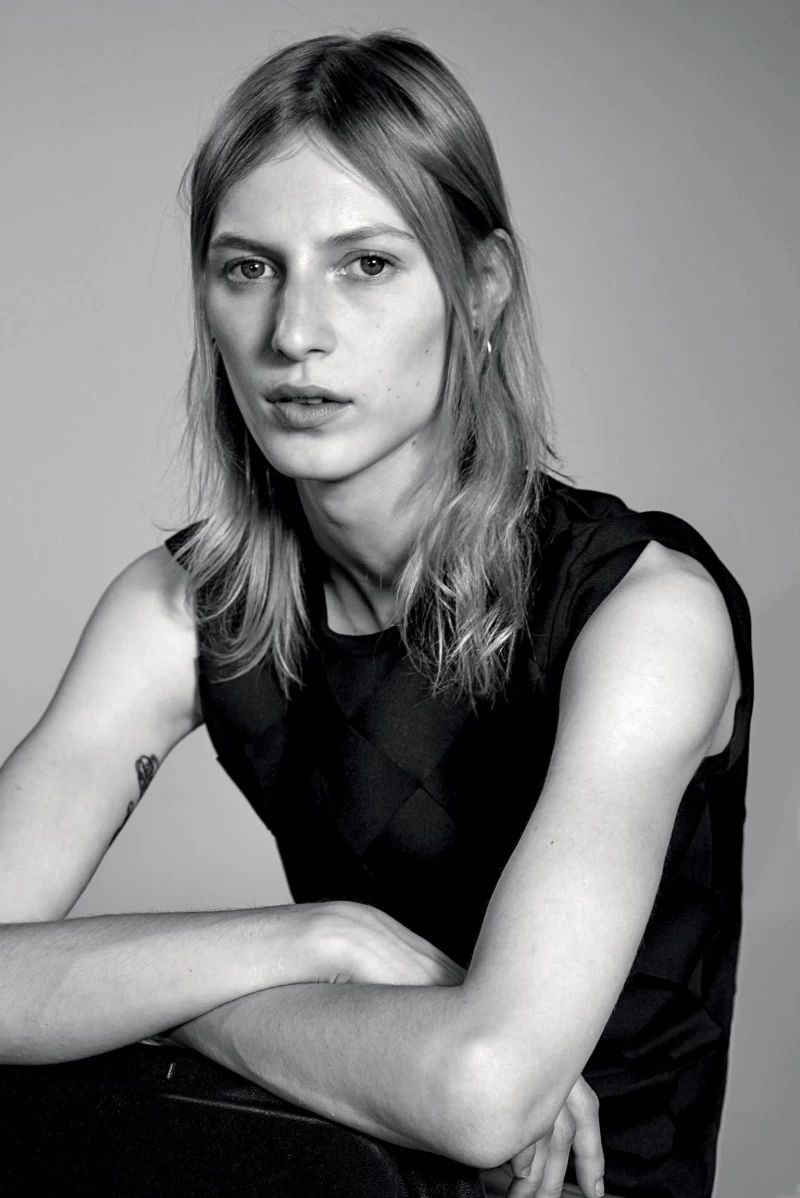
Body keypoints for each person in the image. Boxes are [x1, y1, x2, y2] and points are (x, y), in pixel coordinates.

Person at [0, 30, 753, 1198]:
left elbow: (482, 1088)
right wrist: (317, 940)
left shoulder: (645, 610)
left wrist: (170, 1008)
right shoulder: (179, 608)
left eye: (365, 265)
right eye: (247, 267)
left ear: (481, 287)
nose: (294, 335)